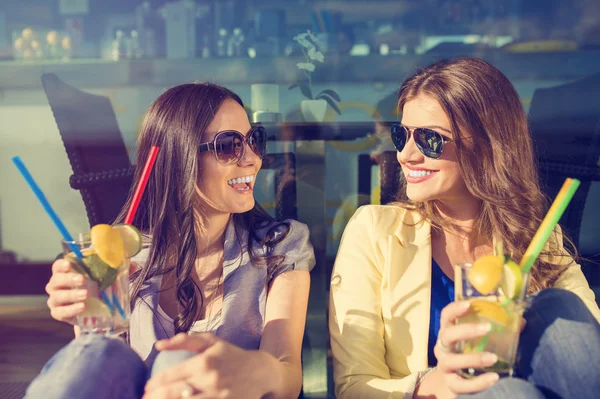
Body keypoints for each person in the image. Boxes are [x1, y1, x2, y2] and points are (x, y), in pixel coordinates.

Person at [329, 57, 600, 399]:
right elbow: (354, 387)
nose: (406, 155)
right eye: (402, 135)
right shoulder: (374, 232)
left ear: (487, 146)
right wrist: (436, 382)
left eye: (429, 140)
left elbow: (586, 351)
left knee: (559, 308)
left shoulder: (535, 236)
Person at [26, 82, 315, 399]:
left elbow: (287, 372)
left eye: (254, 140)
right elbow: (106, 373)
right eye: (230, 145)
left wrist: (256, 370)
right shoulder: (119, 256)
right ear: (180, 157)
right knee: (97, 356)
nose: (252, 159)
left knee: (183, 361)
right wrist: (85, 313)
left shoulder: (279, 246)